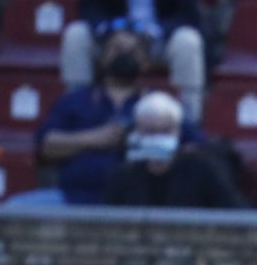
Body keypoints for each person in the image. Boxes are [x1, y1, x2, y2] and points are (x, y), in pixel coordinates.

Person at [17, 28, 203, 206]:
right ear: (102, 59)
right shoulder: (74, 101)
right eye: (117, 49)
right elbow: (47, 146)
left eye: (133, 51)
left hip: (143, 201)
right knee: (14, 208)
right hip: (74, 199)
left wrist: (149, 145)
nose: (124, 55)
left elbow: (196, 149)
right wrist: (95, 139)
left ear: (147, 62)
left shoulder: (162, 104)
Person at [62, 0, 205, 122]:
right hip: (115, 39)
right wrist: (112, 31)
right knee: (76, 35)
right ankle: (77, 113)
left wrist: (152, 33)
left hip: (158, 40)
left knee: (189, 41)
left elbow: (189, 13)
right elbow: (89, 7)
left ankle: (189, 119)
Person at [103, 91, 245, 208]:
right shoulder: (122, 176)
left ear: (177, 132)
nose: (157, 138)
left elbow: (235, 214)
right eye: (150, 131)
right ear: (137, 132)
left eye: (165, 131)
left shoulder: (204, 169)